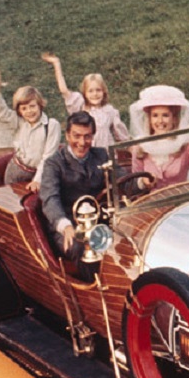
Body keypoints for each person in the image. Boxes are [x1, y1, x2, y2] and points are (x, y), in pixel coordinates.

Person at [40, 111, 120, 264]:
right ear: (68, 135)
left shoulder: (102, 155)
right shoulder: (54, 163)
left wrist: (142, 183)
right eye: (76, 136)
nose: (82, 142)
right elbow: (50, 198)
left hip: (99, 220)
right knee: (81, 247)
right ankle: (95, 285)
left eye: (87, 136)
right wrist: (65, 226)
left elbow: (120, 179)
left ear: (93, 136)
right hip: (69, 223)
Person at [128, 85, 189, 190]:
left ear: (174, 118)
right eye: (155, 115)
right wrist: (143, 182)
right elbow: (134, 182)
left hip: (180, 201)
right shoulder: (141, 145)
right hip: (153, 203)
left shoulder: (187, 143)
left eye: (165, 115)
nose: (160, 121)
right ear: (149, 119)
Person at [0, 68, 60, 192]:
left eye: (32, 106)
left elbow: (48, 157)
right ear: (19, 111)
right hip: (15, 169)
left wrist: (37, 180)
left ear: (40, 104)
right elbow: (2, 113)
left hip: (37, 174)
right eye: (24, 108)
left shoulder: (51, 125)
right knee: (9, 200)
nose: (29, 111)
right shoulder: (20, 122)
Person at [40, 53, 130, 148]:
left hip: (105, 153)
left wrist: (130, 146)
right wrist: (56, 63)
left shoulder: (110, 111)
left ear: (104, 92)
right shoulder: (81, 106)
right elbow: (64, 90)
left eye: (98, 90)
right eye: (90, 91)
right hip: (85, 151)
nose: (95, 94)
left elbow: (122, 136)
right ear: (85, 93)